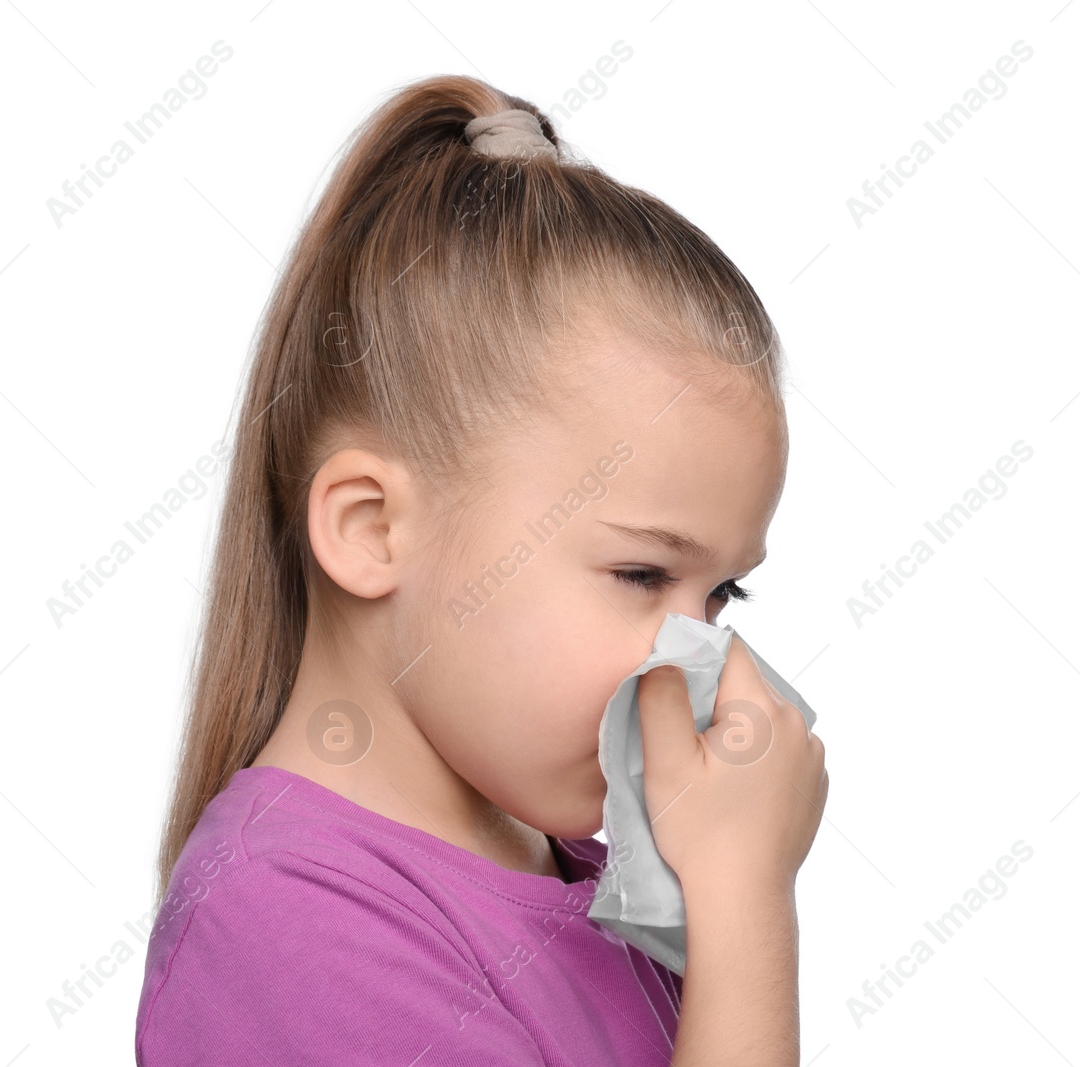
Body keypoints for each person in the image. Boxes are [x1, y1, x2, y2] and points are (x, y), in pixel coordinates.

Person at [134, 73, 829, 1066]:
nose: (691, 658)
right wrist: (747, 908)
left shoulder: (601, 884)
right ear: (372, 529)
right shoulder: (289, 928)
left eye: (719, 594)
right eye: (640, 574)